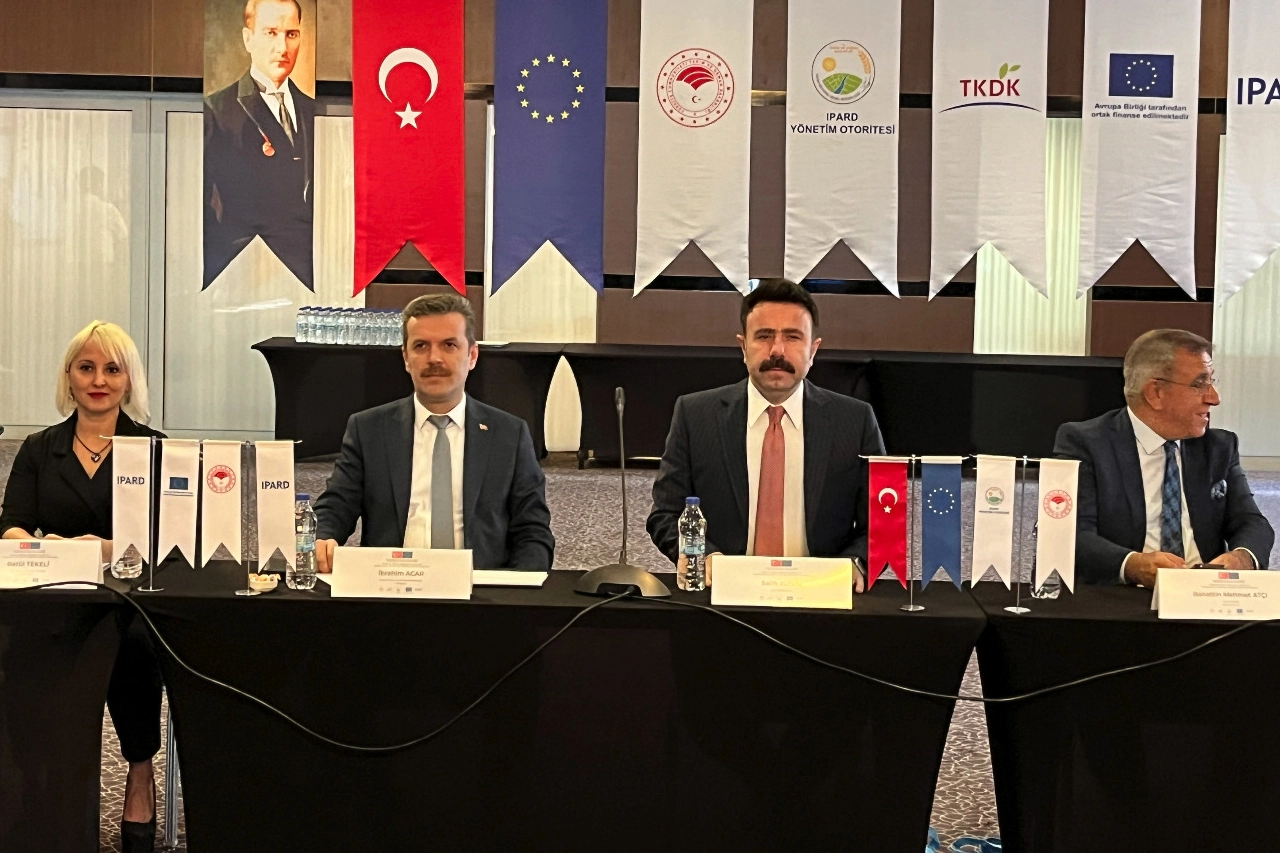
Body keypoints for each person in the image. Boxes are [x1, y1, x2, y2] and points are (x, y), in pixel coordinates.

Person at [0, 321, 164, 852]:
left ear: (129, 379)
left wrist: (107, 550)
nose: (98, 380)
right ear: (68, 376)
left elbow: (171, 541)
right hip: (59, 596)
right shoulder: (38, 448)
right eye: (86, 368)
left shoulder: (155, 449)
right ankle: (50, 786)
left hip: (131, 600)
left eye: (112, 369)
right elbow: (12, 526)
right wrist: (52, 549)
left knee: (135, 645)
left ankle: (139, 773)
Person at [646, 278, 886, 590]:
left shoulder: (854, 421)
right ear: (743, 347)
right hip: (724, 591)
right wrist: (703, 557)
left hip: (822, 592)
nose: (777, 350)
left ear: (813, 350)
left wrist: (856, 562)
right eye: (764, 336)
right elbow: (666, 514)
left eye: (793, 337)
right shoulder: (695, 415)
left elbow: (884, 521)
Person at [314, 294, 555, 571]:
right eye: (421, 346)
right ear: (406, 357)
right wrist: (321, 537)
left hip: (480, 586)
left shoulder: (509, 434)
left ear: (472, 355)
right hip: (392, 582)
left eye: (449, 345)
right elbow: (336, 506)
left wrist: (518, 586)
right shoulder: (368, 429)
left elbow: (532, 529)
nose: (434, 358)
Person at [1054, 328, 1274, 586]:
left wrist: (1242, 557)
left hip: (1206, 592)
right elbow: (1069, 533)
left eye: (1212, 381)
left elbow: (1251, 522)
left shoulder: (1219, 447)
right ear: (1155, 393)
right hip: (1125, 593)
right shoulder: (1085, 443)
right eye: (1199, 384)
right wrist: (1132, 564)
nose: (1214, 398)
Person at [203, 0, 315, 289]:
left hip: (307, 269)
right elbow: (206, 204)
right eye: (271, 33)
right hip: (241, 268)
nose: (283, 47)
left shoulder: (313, 110)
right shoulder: (218, 110)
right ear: (248, 38)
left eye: (291, 34)